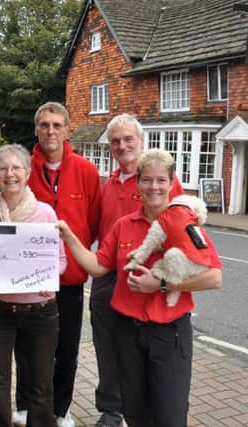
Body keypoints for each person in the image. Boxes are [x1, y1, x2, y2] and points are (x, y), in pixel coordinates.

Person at [58, 149, 222, 427]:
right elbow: (98, 266)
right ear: (138, 183)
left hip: (169, 336)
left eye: (160, 180)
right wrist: (70, 237)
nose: (153, 187)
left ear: (172, 184)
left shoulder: (185, 223)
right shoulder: (124, 225)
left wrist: (161, 284)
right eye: (146, 180)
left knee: (169, 416)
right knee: (135, 414)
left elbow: (214, 277)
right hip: (128, 333)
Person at [90, 114, 184, 427]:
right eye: (115, 141)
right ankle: (111, 409)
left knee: (139, 347)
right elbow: (97, 229)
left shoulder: (157, 179)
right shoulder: (109, 183)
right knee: (107, 345)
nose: (122, 146)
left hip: (146, 278)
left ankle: (147, 409)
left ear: (141, 142)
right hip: (108, 273)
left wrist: (163, 279)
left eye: (128, 139)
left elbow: (182, 230)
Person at [0, 144, 66, 427]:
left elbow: (61, 259)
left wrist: (49, 278)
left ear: (27, 173)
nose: (10, 174)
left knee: (41, 383)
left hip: (40, 310)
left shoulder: (45, 214)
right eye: (3, 168)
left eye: (16, 168)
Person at [27, 102, 101, 427]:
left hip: (70, 282)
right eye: (44, 125)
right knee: (32, 353)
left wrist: (77, 253)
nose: (51, 131)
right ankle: (31, 408)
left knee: (66, 352)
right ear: (36, 130)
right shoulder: (23, 168)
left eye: (57, 125)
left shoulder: (86, 171)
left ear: (68, 129)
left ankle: (60, 410)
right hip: (31, 282)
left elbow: (95, 223)